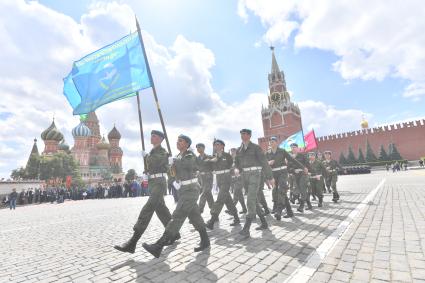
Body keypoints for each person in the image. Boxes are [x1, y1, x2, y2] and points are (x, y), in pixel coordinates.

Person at [143, 134, 210, 258]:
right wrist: (172, 175)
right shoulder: (178, 156)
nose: (177, 142)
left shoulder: (189, 155)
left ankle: (159, 245)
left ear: (187, 144)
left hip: (191, 189)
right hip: (184, 189)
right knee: (195, 216)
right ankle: (205, 240)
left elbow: (188, 165)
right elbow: (172, 173)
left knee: (177, 216)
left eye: (181, 141)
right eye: (177, 141)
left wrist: (174, 161)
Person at [114, 130, 174, 254]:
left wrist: (146, 157)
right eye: (151, 136)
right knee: (161, 209)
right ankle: (174, 233)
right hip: (153, 183)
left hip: (159, 182)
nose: (151, 138)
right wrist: (146, 172)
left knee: (148, 208)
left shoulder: (163, 152)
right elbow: (151, 166)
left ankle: (133, 242)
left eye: (154, 136)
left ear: (161, 139)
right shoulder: (152, 152)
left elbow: (155, 162)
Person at [235, 129, 274, 239]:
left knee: (250, 199)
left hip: (256, 174)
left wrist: (270, 177)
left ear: (249, 135)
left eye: (245, 134)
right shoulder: (239, 150)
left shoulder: (256, 147)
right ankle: (264, 222)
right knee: (254, 200)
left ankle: (246, 228)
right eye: (241, 134)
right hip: (245, 176)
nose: (243, 135)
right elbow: (236, 163)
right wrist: (237, 169)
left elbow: (264, 162)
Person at [267, 137, 305, 220]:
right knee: (280, 192)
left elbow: (292, 159)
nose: (271, 143)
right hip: (274, 174)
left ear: (276, 143)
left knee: (281, 189)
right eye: (270, 141)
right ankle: (290, 212)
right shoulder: (268, 153)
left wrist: (303, 167)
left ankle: (279, 210)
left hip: (283, 173)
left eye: (273, 141)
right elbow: (264, 164)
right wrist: (268, 163)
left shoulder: (282, 151)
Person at [205, 139, 240, 229]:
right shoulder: (213, 157)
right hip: (219, 179)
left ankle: (212, 220)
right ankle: (236, 218)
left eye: (218, 144)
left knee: (220, 199)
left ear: (222, 146)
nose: (216, 146)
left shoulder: (227, 155)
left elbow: (232, 165)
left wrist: (235, 171)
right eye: (215, 145)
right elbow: (208, 165)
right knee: (228, 200)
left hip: (226, 178)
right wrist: (211, 161)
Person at [287, 143, 310, 212]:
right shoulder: (290, 158)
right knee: (299, 190)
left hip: (303, 175)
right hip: (295, 176)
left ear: (298, 148)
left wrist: (306, 170)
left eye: (294, 147)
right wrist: (294, 170)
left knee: (302, 189)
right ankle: (309, 204)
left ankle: (301, 206)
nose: (293, 148)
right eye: (292, 147)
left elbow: (308, 165)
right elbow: (288, 169)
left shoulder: (302, 156)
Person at [196, 143, 214, 213]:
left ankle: (199, 211)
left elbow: (214, 166)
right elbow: (195, 168)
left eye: (199, 147)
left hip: (208, 178)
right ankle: (214, 213)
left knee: (204, 194)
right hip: (201, 179)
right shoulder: (196, 159)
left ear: (203, 148)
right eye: (197, 148)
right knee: (208, 195)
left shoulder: (209, 157)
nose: (198, 149)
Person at [230, 148, 247, 214]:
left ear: (236, 152)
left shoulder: (239, 159)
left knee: (236, 193)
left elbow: (242, 167)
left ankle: (232, 208)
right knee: (240, 195)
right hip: (234, 179)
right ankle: (244, 209)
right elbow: (230, 170)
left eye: (233, 151)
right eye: (231, 151)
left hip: (240, 178)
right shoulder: (231, 160)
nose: (232, 153)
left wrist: (239, 172)